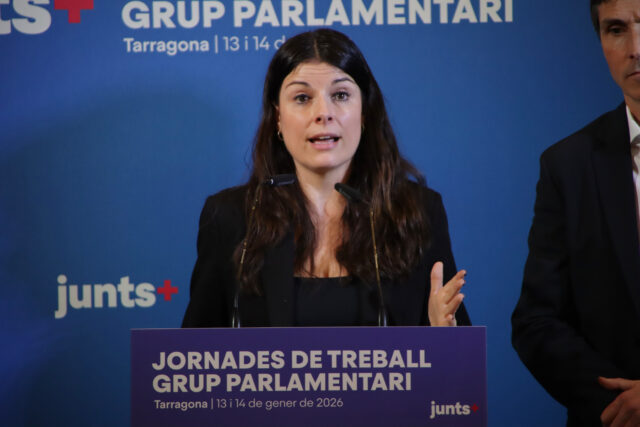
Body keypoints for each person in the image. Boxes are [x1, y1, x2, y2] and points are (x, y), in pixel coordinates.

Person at [182, 29, 470, 329]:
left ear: (364, 112)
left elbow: (456, 345)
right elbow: (195, 352)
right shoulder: (231, 218)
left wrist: (444, 336)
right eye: (302, 98)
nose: (323, 113)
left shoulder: (418, 212)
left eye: (340, 95)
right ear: (278, 117)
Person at [512, 1, 640, 426]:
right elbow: (536, 321)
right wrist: (620, 403)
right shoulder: (568, 165)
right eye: (616, 30)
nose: (635, 48)